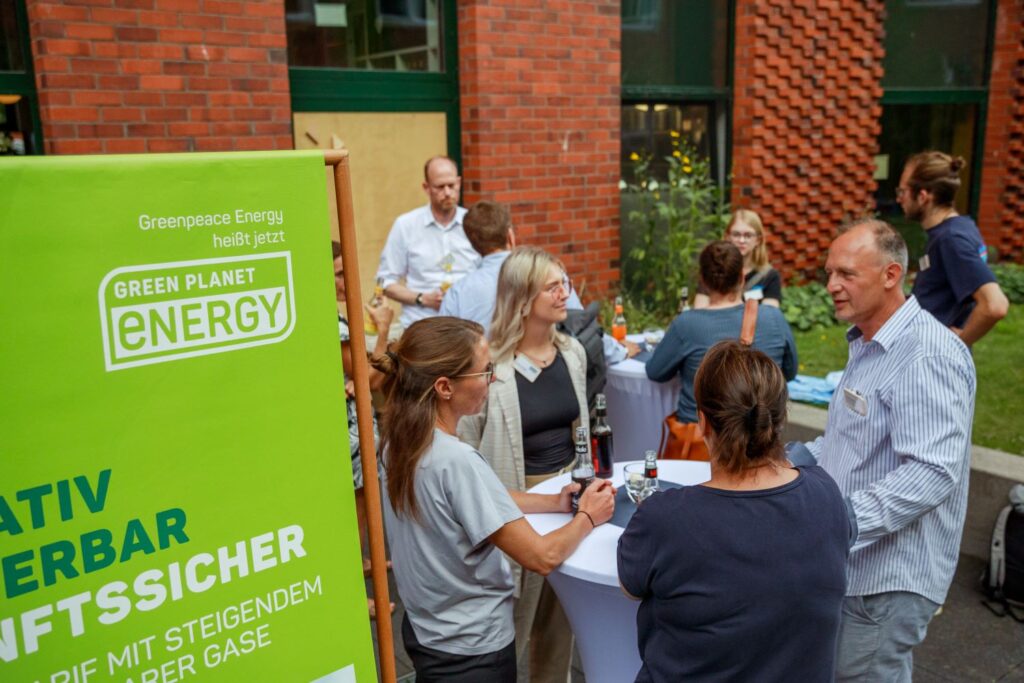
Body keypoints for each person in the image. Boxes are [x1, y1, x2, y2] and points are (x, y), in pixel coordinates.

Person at [374, 317, 615, 683]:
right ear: (444, 387)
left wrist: (552, 502)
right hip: (474, 648)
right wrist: (588, 516)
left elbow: (472, 502)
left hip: (427, 631)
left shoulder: (397, 441)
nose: (495, 379)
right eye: (484, 371)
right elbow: (542, 556)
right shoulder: (457, 460)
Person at [797, 219, 976, 681]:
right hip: (856, 564)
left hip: (887, 578)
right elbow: (850, 441)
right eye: (829, 273)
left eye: (846, 274)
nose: (832, 285)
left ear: (891, 275)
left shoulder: (926, 355)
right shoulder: (869, 343)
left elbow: (933, 471)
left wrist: (842, 521)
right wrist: (789, 464)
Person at [618, 340, 849, 681]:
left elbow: (629, 587)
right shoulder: (826, 494)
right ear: (779, 418)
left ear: (703, 422)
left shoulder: (665, 518)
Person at [458, 246, 589, 683]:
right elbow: (464, 447)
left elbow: (580, 429)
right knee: (512, 621)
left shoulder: (572, 353)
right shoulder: (490, 369)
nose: (563, 293)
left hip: (569, 495)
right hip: (517, 501)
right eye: (551, 286)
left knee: (559, 619)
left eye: (564, 282)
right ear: (522, 298)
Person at [646, 241, 797, 431]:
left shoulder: (686, 324)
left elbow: (656, 372)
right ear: (742, 278)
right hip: (762, 437)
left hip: (704, 439)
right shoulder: (773, 317)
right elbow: (789, 372)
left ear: (702, 280)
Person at [333, 241, 395, 617]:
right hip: (349, 429)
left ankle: (360, 565)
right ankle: (354, 595)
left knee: (361, 504)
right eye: (338, 274)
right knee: (354, 509)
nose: (346, 280)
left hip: (355, 423)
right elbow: (371, 377)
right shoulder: (331, 322)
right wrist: (384, 330)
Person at [898, 151, 1009, 345]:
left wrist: (960, 343)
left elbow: (995, 305)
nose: (899, 199)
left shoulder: (951, 239)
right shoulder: (956, 229)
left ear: (923, 196)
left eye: (902, 192)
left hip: (935, 362)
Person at [376, 156, 481, 329]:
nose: (447, 192)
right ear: (426, 187)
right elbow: (385, 282)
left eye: (451, 185)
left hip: (469, 326)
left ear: (459, 183)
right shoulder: (406, 225)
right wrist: (422, 298)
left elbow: (488, 274)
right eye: (440, 187)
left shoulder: (474, 223)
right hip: (422, 326)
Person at [694, 208, 782, 308]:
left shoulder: (769, 276)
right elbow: (700, 311)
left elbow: (769, 315)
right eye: (736, 234)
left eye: (748, 235)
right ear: (727, 236)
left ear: (758, 240)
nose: (741, 240)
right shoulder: (713, 269)